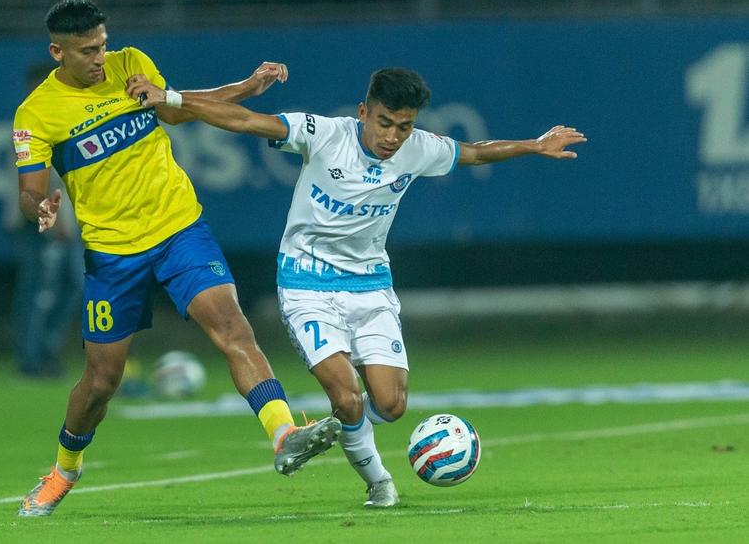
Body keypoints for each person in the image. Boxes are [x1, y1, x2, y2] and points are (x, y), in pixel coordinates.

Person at [130, 67, 586, 507]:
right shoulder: (323, 133)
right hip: (306, 284)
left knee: (390, 405)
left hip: (371, 286)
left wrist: (535, 145)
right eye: (384, 122)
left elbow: (477, 151)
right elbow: (247, 120)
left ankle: (337, 429)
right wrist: (171, 99)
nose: (392, 137)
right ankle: (379, 483)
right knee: (347, 397)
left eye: (404, 127)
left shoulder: (419, 149)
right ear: (363, 111)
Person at [12, 0, 342, 517]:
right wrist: (43, 205)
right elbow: (28, 190)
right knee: (101, 382)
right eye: (86, 51)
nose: (100, 58)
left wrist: (246, 87)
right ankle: (63, 471)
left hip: (178, 227)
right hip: (113, 252)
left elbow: (176, 108)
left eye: (102, 45)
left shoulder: (130, 63)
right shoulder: (35, 114)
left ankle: (283, 434)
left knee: (232, 326)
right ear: (58, 52)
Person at [7, 62, 83, 378]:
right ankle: (31, 359)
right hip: (37, 223)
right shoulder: (28, 122)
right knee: (39, 292)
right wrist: (55, 221)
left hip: (68, 224)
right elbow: (34, 181)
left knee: (72, 286)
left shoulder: (63, 119)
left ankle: (44, 351)